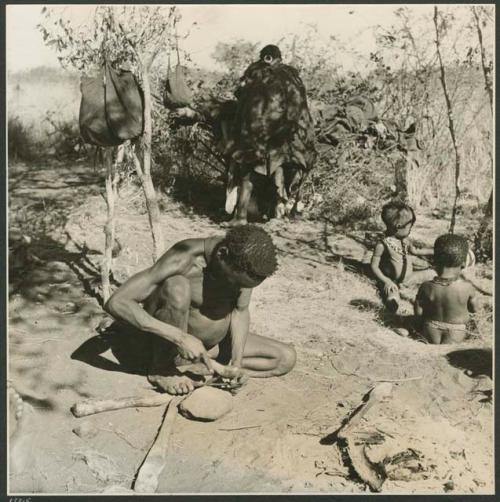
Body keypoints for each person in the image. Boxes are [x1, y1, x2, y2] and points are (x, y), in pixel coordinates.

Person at [104, 225, 296, 395]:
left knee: (285, 359)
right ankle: (162, 369)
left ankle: (203, 369)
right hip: (170, 344)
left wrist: (236, 363)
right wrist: (181, 338)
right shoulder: (184, 258)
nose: (239, 288)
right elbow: (117, 302)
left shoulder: (243, 265)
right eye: (235, 282)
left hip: (208, 349)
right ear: (222, 255)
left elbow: (240, 311)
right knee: (177, 286)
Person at [414, 234, 480, 344]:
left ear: (435, 261)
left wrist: (418, 324)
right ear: (463, 264)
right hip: (457, 332)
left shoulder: (426, 286)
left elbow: (418, 312)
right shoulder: (467, 288)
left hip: (430, 329)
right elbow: (474, 311)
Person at [371, 201, 434, 313]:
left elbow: (416, 251)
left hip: (409, 278)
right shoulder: (383, 244)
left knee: (432, 273)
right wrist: (386, 281)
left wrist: (435, 251)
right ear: (398, 227)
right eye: (410, 227)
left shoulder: (405, 240)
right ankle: (393, 304)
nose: (410, 230)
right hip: (393, 281)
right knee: (391, 293)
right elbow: (374, 266)